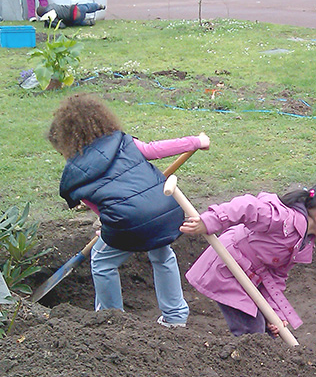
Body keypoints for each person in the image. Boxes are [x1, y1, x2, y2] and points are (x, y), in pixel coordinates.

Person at [47, 94, 209, 328]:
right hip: (166, 210)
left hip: (128, 222)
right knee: (162, 254)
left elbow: (99, 208)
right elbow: (156, 149)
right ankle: (175, 318)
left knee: (102, 260)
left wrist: (106, 226)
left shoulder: (75, 176)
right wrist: (196, 141)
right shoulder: (123, 142)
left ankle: (112, 320)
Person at [180, 183, 316, 336]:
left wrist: (275, 314)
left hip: (250, 276)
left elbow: (275, 277)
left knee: (265, 330)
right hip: (227, 266)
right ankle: (243, 365)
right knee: (251, 329)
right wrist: (209, 221)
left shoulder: (302, 244)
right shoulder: (282, 219)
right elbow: (246, 207)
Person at [37, 2, 106, 28]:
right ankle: (98, 6)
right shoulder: (52, 5)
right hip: (75, 8)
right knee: (86, 6)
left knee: (72, 23)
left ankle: (88, 22)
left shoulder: (49, 16)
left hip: (75, 17)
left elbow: (61, 26)